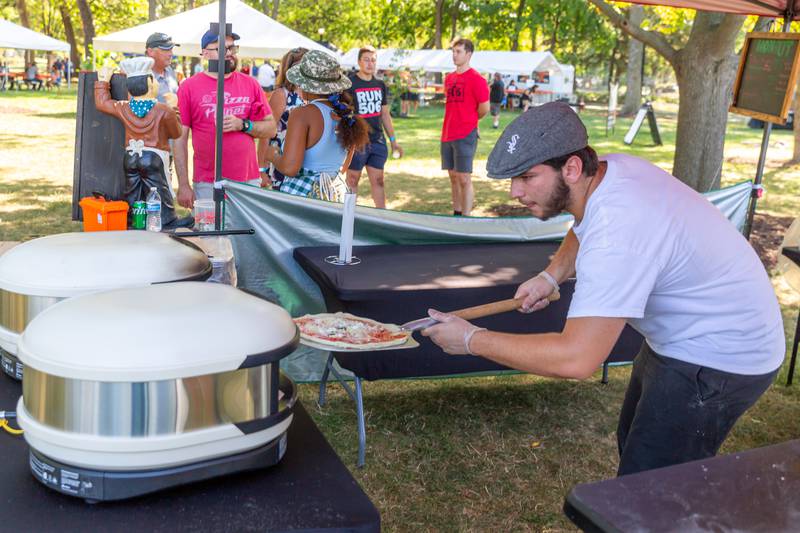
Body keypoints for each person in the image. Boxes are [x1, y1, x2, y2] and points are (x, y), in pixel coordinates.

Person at [422, 102, 784, 477]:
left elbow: (576, 358)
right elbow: (583, 224)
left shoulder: (619, 232)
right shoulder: (610, 172)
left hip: (722, 355)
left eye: (527, 177)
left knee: (653, 484)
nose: (515, 191)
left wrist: (471, 341)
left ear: (572, 167)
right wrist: (551, 276)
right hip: (684, 337)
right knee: (636, 442)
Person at [174, 29, 277, 206]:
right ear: (205, 53)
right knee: (209, 232)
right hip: (207, 181)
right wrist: (183, 184)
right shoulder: (189, 87)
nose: (229, 53)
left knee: (245, 232)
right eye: (223, 49)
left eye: (232, 48)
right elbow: (179, 139)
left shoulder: (250, 84)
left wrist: (243, 125)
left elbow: (271, 128)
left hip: (247, 180)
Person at [262, 50, 369, 202]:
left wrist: (272, 155)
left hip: (304, 196)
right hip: (336, 194)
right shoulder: (345, 115)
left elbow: (290, 168)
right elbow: (344, 167)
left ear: (305, 85)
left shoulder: (302, 114)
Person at [94, 57, 184, 228]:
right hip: (154, 157)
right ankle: (166, 220)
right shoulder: (163, 110)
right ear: (150, 84)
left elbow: (102, 103)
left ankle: (132, 221)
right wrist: (174, 108)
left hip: (130, 156)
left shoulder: (124, 107)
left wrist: (103, 82)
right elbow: (176, 132)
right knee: (159, 189)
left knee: (132, 191)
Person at [344, 46, 403, 209]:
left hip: (377, 141)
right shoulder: (350, 84)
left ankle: (381, 217)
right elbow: (342, 113)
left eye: (373, 60)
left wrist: (393, 141)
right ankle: (348, 217)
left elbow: (385, 114)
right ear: (358, 62)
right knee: (352, 180)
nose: (370, 63)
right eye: (366, 59)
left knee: (378, 181)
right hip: (357, 141)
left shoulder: (380, 85)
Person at [441, 38, 489, 216]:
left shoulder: (477, 79)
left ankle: (467, 218)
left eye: (458, 51)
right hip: (447, 133)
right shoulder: (449, 78)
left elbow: (485, 108)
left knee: (464, 177)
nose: (454, 55)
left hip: (465, 133)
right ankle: (457, 213)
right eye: (453, 51)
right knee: (453, 177)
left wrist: (471, 122)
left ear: (468, 54)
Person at [257, 47, 307, 190]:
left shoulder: (314, 94)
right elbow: (265, 133)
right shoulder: (282, 94)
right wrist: (261, 169)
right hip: (280, 159)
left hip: (304, 162)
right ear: (289, 69)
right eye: (301, 65)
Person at [145, 32, 179, 103]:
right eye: (165, 50)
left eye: (171, 49)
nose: (171, 54)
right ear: (150, 51)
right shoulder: (141, 77)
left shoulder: (170, 70)